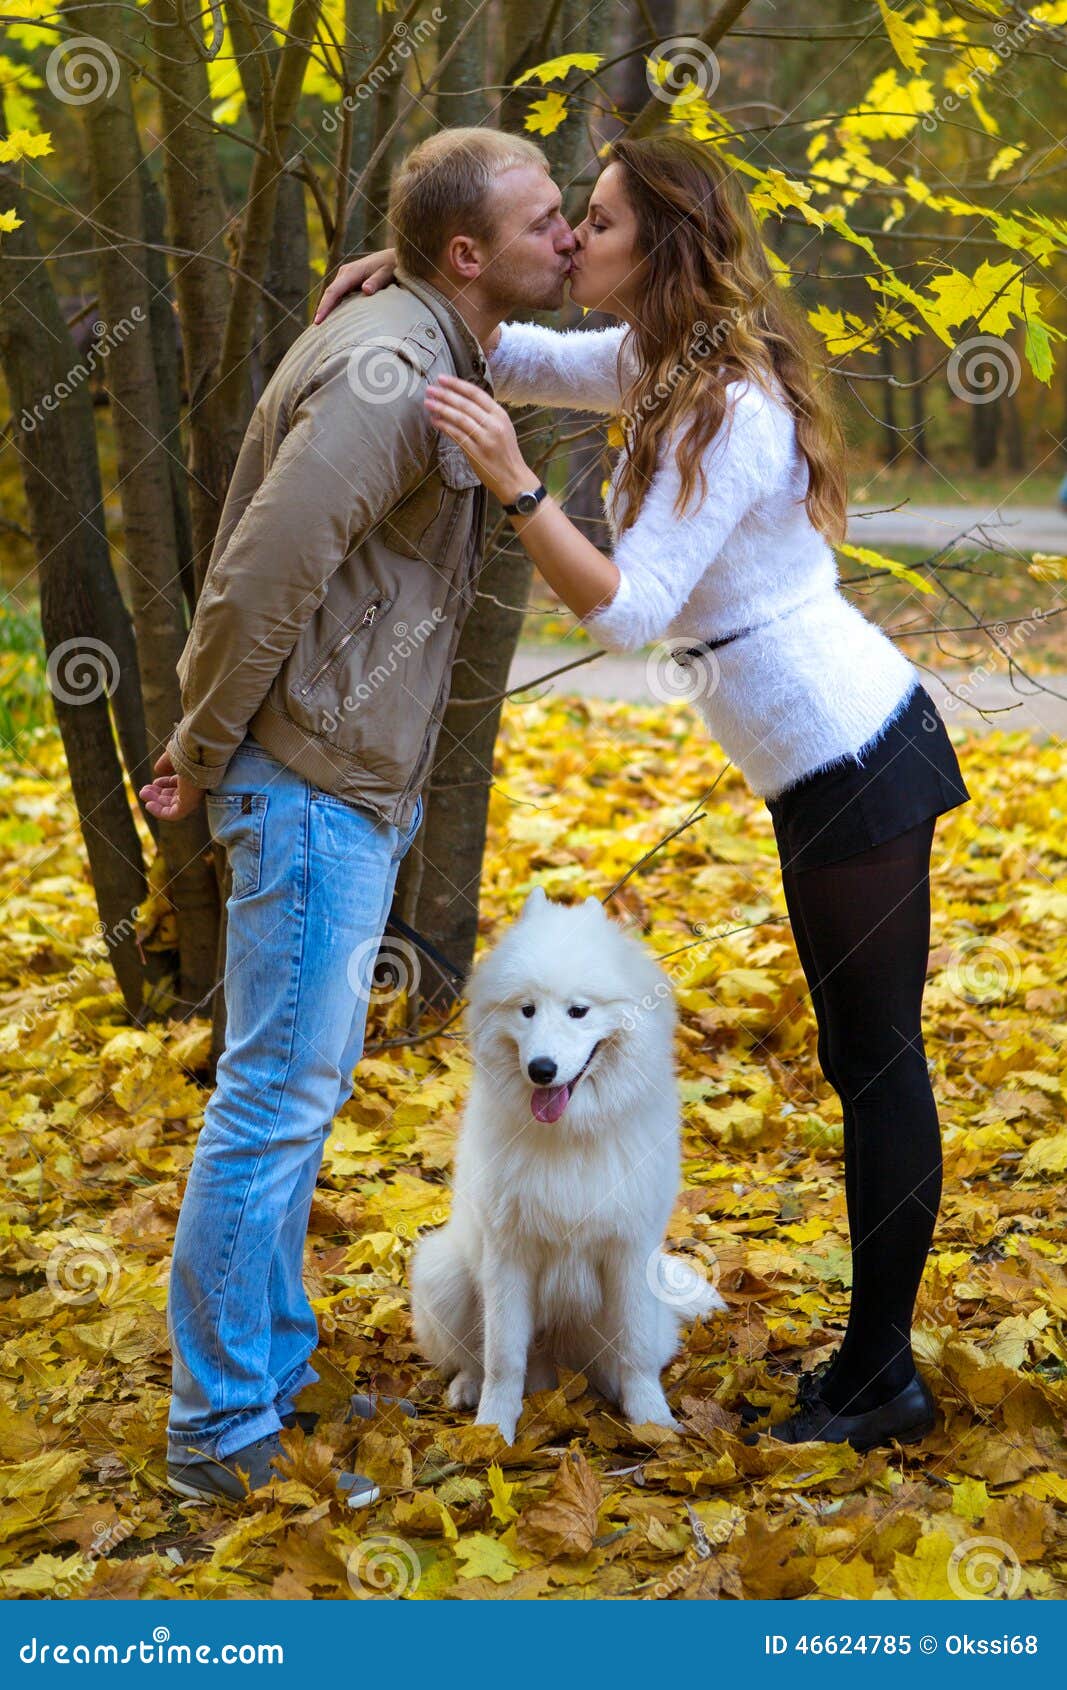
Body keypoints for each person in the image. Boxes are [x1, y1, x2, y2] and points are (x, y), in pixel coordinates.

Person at [317, 132, 972, 1453]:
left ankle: (881, 1373)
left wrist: (516, 487)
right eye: (570, 220)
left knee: (880, 1065)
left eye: (597, 221)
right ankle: (871, 1365)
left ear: (658, 245)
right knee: (864, 1058)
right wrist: (400, 280)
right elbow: (500, 356)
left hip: (857, 748)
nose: (574, 240)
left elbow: (636, 613)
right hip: (816, 761)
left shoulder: (733, 406)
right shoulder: (655, 367)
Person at [139, 126, 577, 1503]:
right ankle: (218, 1435)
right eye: (546, 219)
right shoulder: (395, 366)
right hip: (309, 780)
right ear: (468, 251)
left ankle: (270, 1372)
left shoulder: (430, 336)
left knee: (293, 1093)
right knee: (271, 1101)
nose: (568, 236)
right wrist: (198, 750)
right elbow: (265, 567)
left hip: (342, 780)